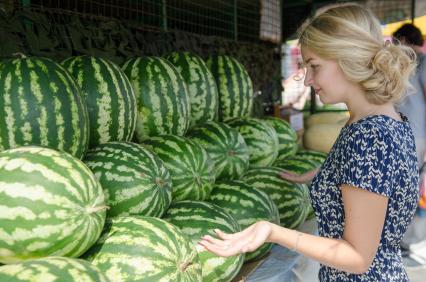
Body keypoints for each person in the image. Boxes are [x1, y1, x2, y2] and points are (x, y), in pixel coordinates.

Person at [199, 4, 420, 281]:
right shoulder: (391, 121)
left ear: (347, 58)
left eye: (314, 66)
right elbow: (382, 180)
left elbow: (358, 258)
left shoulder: (367, 137)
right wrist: (327, 174)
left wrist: (272, 231)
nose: (307, 80)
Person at [392, 23, 426, 262]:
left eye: (396, 42)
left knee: (413, 190)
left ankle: (413, 245)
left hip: (417, 137)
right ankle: (406, 243)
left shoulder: (423, 62)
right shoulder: (411, 63)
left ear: (403, 39)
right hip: (408, 135)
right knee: (406, 188)